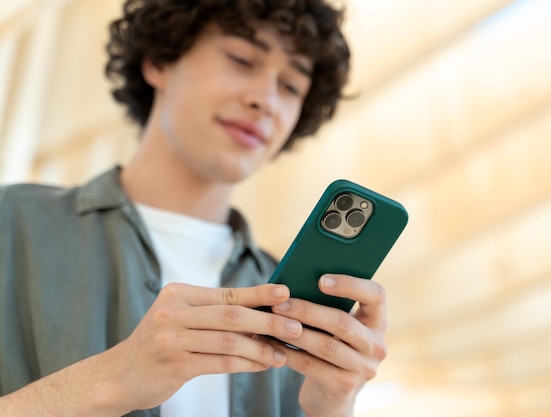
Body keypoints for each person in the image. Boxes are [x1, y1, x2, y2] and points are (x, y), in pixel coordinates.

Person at [0, 0, 388, 416]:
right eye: (242, 60)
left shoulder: (294, 300)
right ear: (160, 62)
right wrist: (115, 379)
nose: (266, 100)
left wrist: (332, 408)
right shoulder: (14, 222)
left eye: (291, 87)